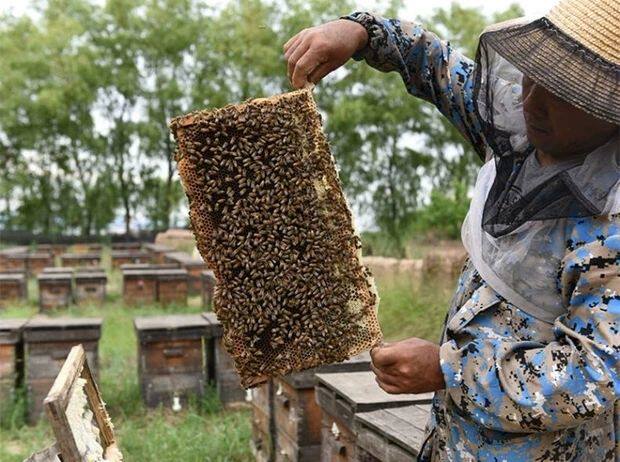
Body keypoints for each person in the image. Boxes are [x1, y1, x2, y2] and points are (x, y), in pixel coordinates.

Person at [285, 0, 619, 460]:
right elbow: (435, 65)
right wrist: (360, 31)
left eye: (562, 91)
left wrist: (449, 370)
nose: (533, 102)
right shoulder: (518, 132)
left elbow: (596, 376)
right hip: (452, 437)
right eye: (533, 76)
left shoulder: (611, 225)